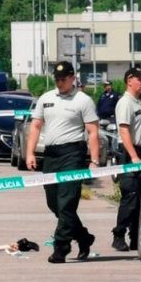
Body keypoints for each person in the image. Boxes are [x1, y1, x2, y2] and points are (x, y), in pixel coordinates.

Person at [26, 61, 100, 264]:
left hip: (72, 155)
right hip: (51, 155)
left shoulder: (83, 100)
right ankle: (84, 237)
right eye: (57, 79)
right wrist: (30, 153)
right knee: (54, 203)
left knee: (66, 203)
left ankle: (61, 247)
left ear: (72, 78)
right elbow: (35, 126)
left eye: (63, 79)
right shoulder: (46, 98)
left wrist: (94, 160)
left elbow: (93, 132)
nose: (59, 82)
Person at [111, 67, 141, 252]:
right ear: (129, 81)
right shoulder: (125, 103)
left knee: (140, 197)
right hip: (129, 154)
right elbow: (124, 131)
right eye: (139, 79)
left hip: (139, 152)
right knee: (130, 196)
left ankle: (135, 237)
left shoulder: (137, 103)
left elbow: (140, 131)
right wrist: (134, 155)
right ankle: (118, 235)